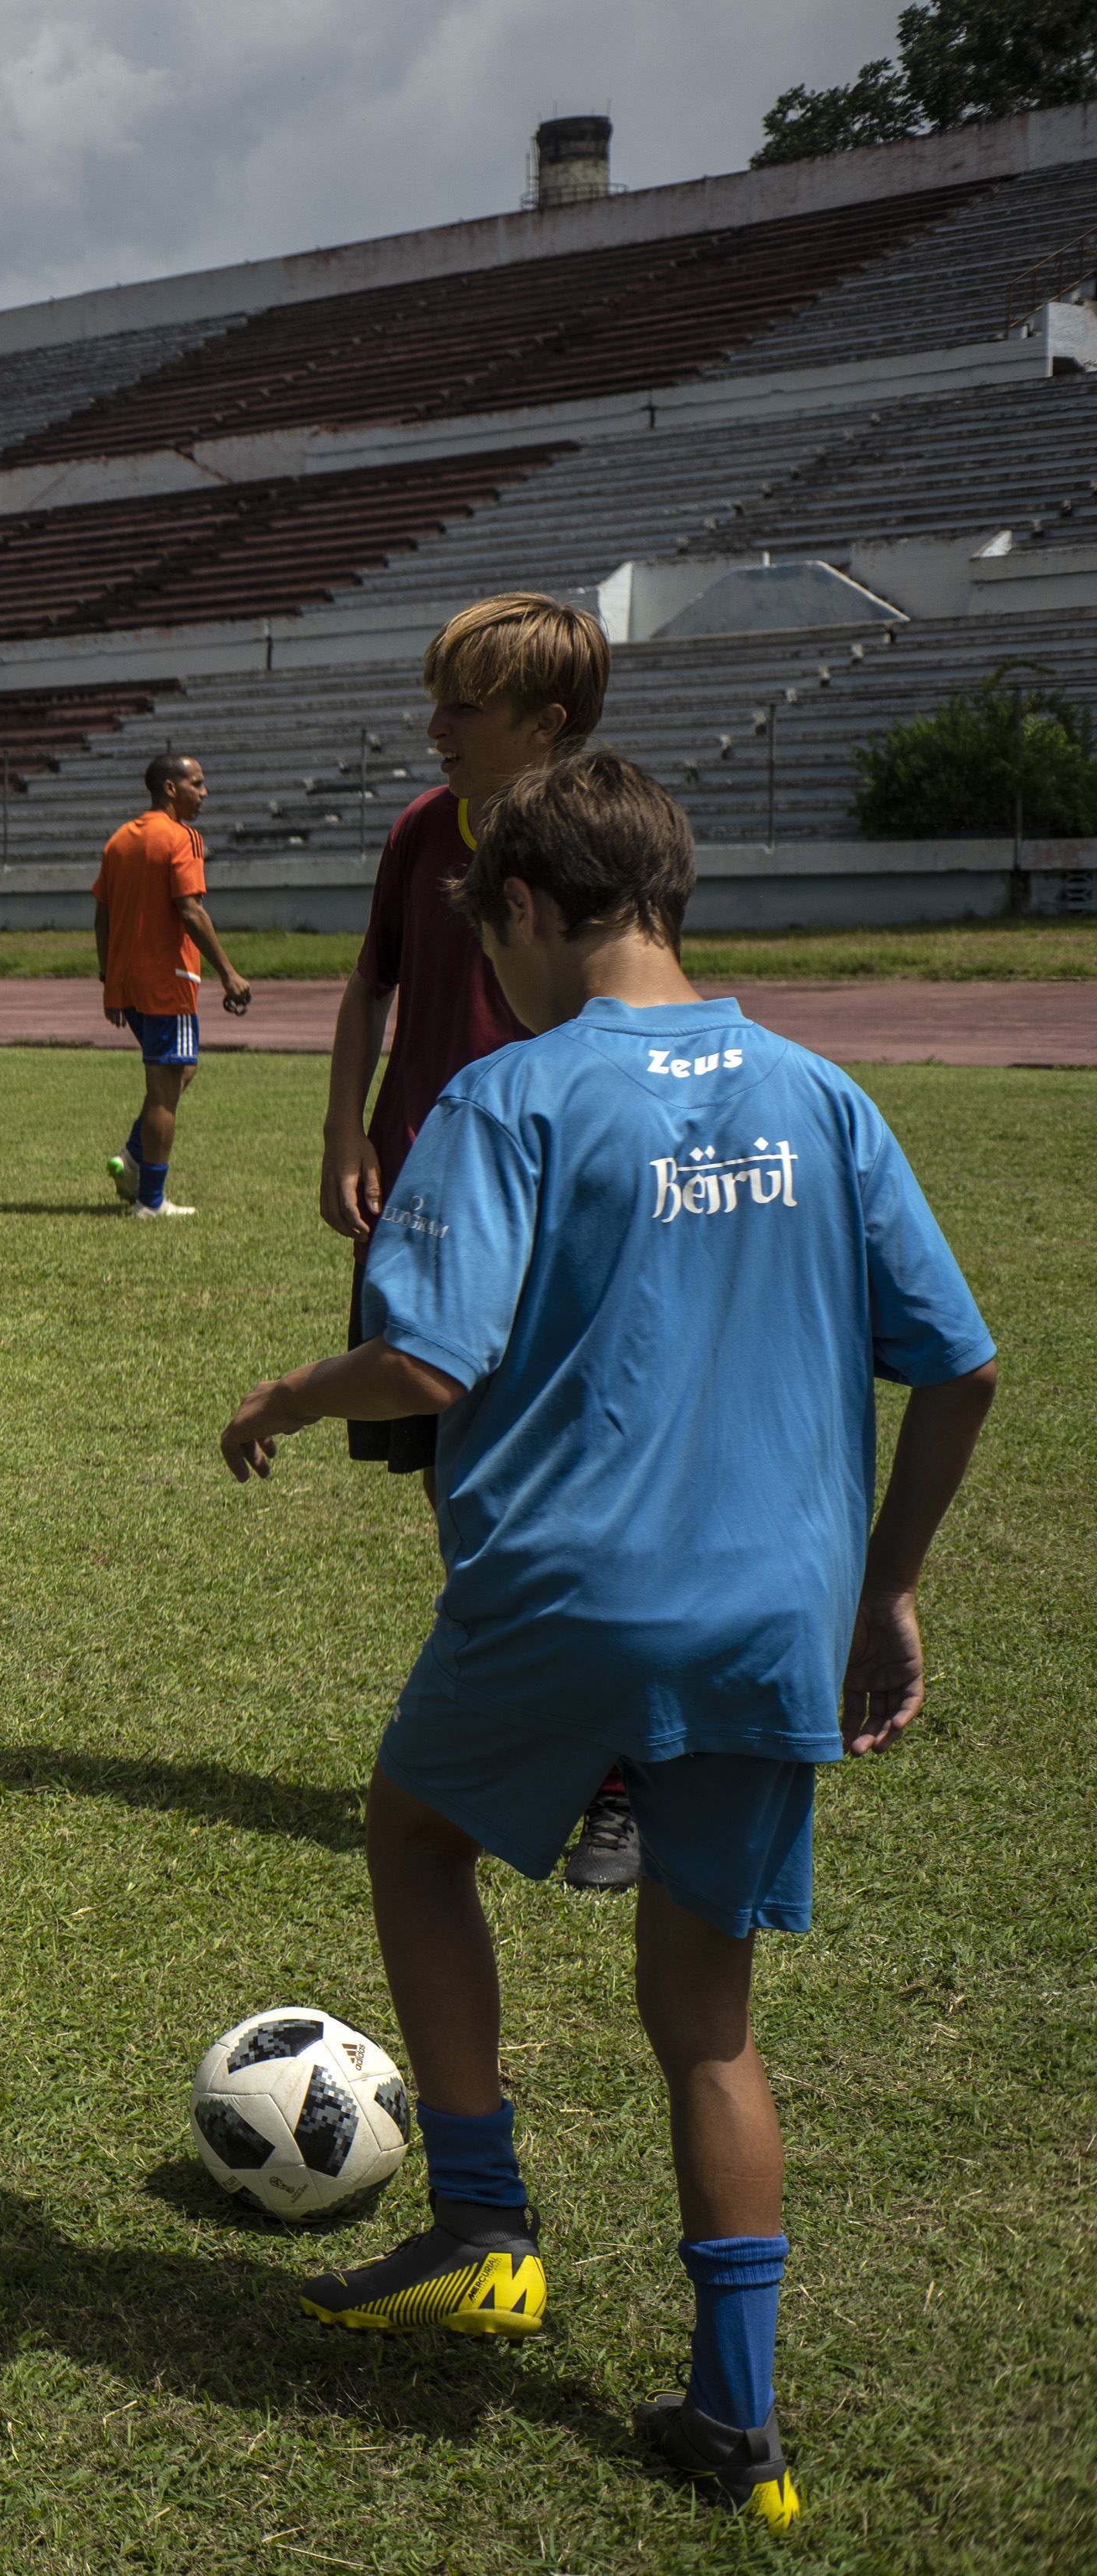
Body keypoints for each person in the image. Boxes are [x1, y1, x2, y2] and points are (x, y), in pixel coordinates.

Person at [217, 754, 996, 2534]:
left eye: (489, 924)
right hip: (768, 1624)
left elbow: (425, 1365)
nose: (483, 961)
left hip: (568, 1595)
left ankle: (481, 2221)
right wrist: (882, 1588)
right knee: (704, 2020)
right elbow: (959, 1363)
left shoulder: (508, 1099)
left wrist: (284, 1389)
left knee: (414, 1835)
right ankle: (741, 2430)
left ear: (541, 912)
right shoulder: (819, 1094)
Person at [324, 594, 640, 1888]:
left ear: (545, 724)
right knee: (465, 1484)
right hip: (431, 1206)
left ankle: (624, 1775)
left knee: (561, 1498)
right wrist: (347, 1132)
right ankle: (548, 1753)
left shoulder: (600, 843)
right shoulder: (417, 830)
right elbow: (371, 985)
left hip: (555, 1212)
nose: (436, 723)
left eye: (464, 702)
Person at [93, 753, 251, 1216]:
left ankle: (133, 1155)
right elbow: (191, 910)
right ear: (169, 788)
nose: (204, 793)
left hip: (130, 983)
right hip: (169, 982)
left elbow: (102, 912)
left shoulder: (120, 839)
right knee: (166, 1086)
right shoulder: (182, 838)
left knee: (181, 1070)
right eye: (197, 784)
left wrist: (108, 977)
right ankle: (151, 1200)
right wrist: (228, 972)